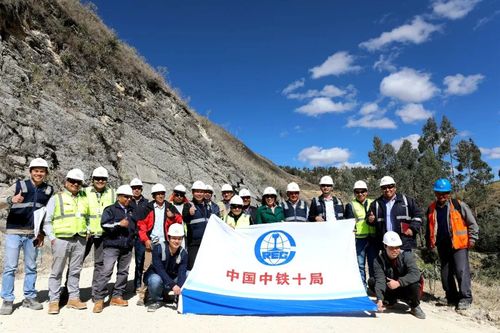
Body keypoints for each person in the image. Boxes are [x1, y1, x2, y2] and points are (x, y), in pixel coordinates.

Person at [0, 158, 53, 315]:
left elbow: (47, 215)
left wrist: (42, 233)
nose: (38, 173)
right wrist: (11, 200)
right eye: (35, 170)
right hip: (14, 232)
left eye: (41, 171)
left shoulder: (48, 190)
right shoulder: (19, 185)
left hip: (33, 235)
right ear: (30, 172)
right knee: (10, 267)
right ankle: (7, 300)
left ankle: (29, 297)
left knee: (32, 267)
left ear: (46, 173)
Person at [425, 178, 479, 310]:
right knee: (446, 273)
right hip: (442, 245)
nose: (442, 196)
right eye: (439, 193)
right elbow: (429, 228)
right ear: (435, 193)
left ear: (449, 193)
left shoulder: (458, 205)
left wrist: (472, 238)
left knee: (461, 271)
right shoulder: (431, 208)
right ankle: (451, 297)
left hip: (459, 244)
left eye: (445, 193)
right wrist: (429, 242)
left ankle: (465, 298)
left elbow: (472, 224)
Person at [44, 169, 89, 315]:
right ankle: (54, 301)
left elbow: (87, 217)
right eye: (72, 181)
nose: (75, 184)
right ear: (66, 182)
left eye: (78, 182)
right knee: (57, 271)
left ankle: (73, 298)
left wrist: (87, 230)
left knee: (75, 271)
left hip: (80, 239)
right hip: (61, 239)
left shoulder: (83, 198)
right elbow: (47, 220)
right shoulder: (56, 198)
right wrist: (52, 238)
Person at [136, 183, 182, 306]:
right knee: (147, 269)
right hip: (152, 243)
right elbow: (141, 225)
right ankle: (143, 295)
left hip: (166, 244)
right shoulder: (148, 207)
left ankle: (164, 293)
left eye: (162, 193)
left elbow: (179, 220)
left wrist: (171, 217)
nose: (160, 196)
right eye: (158, 194)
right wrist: (145, 240)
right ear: (153, 195)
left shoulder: (169, 206)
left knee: (165, 268)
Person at [92, 185, 136, 313]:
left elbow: (135, 226)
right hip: (112, 245)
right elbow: (104, 224)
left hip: (127, 246)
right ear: (119, 197)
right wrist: (118, 224)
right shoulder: (110, 209)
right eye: (125, 197)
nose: (128, 199)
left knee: (123, 272)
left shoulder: (132, 210)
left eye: (130, 197)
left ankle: (117, 295)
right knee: (106, 271)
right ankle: (99, 298)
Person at [372, 231, 425, 319]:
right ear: (385, 246)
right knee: (372, 281)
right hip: (391, 288)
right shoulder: (378, 260)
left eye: (397, 247)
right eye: (391, 247)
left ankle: (414, 306)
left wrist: (399, 282)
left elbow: (415, 274)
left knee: (414, 283)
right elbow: (380, 280)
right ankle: (389, 300)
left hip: (405, 287)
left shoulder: (407, 256)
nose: (395, 250)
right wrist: (379, 299)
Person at [84, 166, 115, 301]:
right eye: (97, 178)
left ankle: (97, 292)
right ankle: (69, 293)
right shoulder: (84, 192)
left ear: (106, 180)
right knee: (76, 264)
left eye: (103, 179)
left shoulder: (113, 193)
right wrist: (85, 228)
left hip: (104, 234)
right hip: (86, 233)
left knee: (100, 264)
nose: (100, 181)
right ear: (93, 179)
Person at [367, 176, 423, 252]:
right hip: (385, 245)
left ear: (395, 187)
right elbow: (369, 219)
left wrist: (412, 229)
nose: (387, 190)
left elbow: (418, 215)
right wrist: (370, 220)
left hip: (404, 244)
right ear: (381, 189)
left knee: (407, 263)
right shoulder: (375, 204)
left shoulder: (407, 201)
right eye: (384, 187)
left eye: (390, 187)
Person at [144, 223, 188, 312]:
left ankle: (177, 297)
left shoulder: (183, 253)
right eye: (174, 238)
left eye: (179, 238)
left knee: (188, 274)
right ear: (168, 238)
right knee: (155, 279)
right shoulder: (158, 248)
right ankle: (156, 300)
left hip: (172, 280)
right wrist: (173, 285)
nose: (177, 241)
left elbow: (182, 272)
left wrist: (178, 288)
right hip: (158, 278)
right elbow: (160, 270)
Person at [344, 180, 377, 290]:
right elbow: (348, 222)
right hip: (359, 239)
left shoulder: (373, 203)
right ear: (354, 193)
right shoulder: (350, 205)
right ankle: (362, 287)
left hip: (372, 239)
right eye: (357, 192)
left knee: (373, 264)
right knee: (360, 265)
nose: (360, 194)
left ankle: (373, 287)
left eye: (362, 191)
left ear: (366, 192)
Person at [183, 181, 212, 270]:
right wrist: (189, 213)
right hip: (193, 244)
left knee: (205, 268)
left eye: (201, 191)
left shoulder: (208, 206)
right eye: (197, 191)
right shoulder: (188, 205)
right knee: (192, 268)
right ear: (192, 192)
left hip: (206, 243)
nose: (199, 194)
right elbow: (185, 219)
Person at [128, 178, 149, 295]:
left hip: (140, 236)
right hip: (128, 236)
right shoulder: (127, 201)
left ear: (141, 189)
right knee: (124, 261)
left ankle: (137, 285)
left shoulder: (146, 203)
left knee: (140, 261)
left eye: (138, 188)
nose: (136, 190)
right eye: (134, 188)